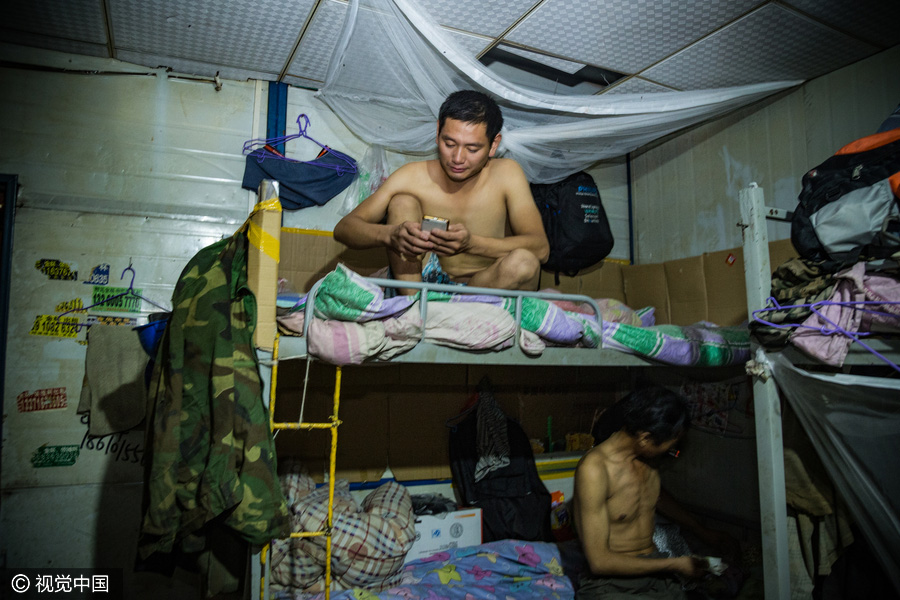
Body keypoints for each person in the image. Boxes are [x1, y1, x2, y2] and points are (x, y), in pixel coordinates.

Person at [333, 90, 550, 295]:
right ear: (438, 133)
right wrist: (391, 235)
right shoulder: (412, 176)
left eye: (472, 149)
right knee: (402, 202)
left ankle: (450, 311)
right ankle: (414, 308)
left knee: (524, 263)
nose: (457, 158)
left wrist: (472, 244)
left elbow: (540, 249)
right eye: (449, 143)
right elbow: (345, 228)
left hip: (484, 288)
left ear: (493, 145)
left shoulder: (507, 174)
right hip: (424, 285)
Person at [572, 386, 705, 599]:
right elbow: (599, 562)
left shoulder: (648, 458)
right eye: (672, 445)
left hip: (656, 575)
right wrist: (675, 564)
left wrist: (704, 531)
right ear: (645, 438)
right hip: (611, 584)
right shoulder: (595, 469)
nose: (673, 452)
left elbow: (654, 498)